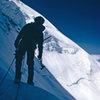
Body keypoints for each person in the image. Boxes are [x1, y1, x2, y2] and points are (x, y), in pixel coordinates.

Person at [14, 16, 45, 84]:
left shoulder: (28, 26)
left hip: (23, 44)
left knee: (19, 60)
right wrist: (40, 54)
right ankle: (30, 81)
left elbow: (20, 34)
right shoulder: (40, 31)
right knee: (30, 64)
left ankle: (17, 78)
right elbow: (40, 45)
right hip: (31, 47)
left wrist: (16, 42)